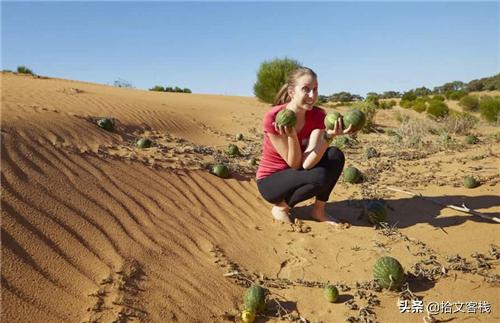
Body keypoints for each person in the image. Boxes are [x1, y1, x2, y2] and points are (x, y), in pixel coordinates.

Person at [256, 67, 356, 224]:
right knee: (319, 176)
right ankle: (281, 207)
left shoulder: (318, 116)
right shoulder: (275, 117)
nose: (312, 95)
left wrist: (329, 136)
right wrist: (292, 135)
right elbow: (294, 164)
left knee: (335, 155)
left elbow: (307, 163)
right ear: (291, 92)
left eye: (315, 89)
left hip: (299, 172)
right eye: (306, 89)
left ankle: (319, 211)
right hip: (271, 182)